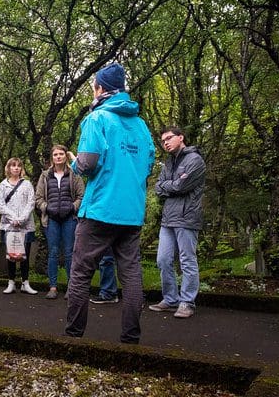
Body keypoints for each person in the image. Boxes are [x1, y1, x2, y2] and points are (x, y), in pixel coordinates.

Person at [64, 62, 155, 344]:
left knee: (80, 272)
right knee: (131, 275)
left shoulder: (97, 119)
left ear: (100, 88)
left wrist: (74, 165)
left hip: (100, 209)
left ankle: (73, 336)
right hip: (132, 212)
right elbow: (148, 164)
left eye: (94, 85)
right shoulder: (141, 126)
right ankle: (130, 337)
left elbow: (88, 163)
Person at [148, 126, 206, 319]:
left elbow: (183, 186)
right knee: (163, 260)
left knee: (187, 260)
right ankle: (170, 299)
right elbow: (158, 187)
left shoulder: (195, 160)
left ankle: (187, 302)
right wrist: (171, 185)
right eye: (163, 140)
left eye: (169, 138)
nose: (165, 142)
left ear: (181, 137)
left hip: (187, 217)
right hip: (168, 219)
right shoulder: (168, 163)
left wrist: (170, 185)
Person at [35, 145, 85, 299]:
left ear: (65, 156)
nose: (58, 157)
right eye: (55, 154)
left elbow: (81, 196)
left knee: (70, 253)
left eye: (61, 154)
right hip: (51, 220)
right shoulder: (45, 176)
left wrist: (72, 207)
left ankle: (72, 287)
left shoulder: (74, 174)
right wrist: (47, 208)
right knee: (53, 253)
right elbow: (38, 198)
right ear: (52, 157)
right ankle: (53, 287)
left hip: (69, 219)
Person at [0, 158, 38, 295]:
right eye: (13, 166)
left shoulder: (27, 184)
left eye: (19, 166)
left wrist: (21, 218)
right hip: (9, 225)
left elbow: (31, 202)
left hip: (25, 225)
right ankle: (11, 282)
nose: (16, 168)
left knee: (24, 254)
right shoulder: (3, 185)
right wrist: (13, 218)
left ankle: (25, 283)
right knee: (11, 255)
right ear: (8, 168)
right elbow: (1, 204)